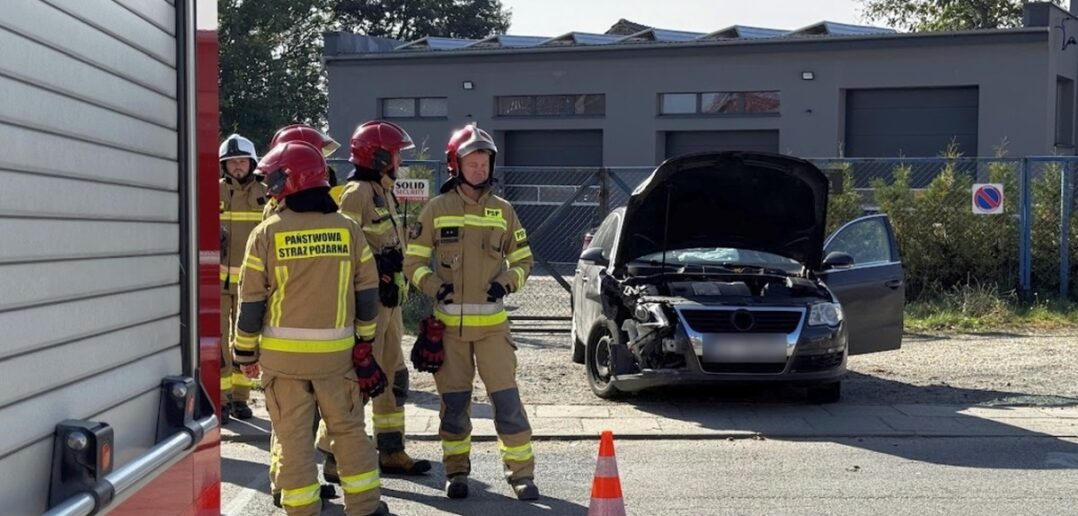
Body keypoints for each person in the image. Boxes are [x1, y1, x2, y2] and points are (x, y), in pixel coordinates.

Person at [232, 140, 390, 515]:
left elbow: (251, 302)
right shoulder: (348, 230)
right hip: (337, 359)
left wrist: (244, 353)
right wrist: (365, 341)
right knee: (349, 432)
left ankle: (302, 509)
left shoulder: (267, 233)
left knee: (292, 439)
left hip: (283, 362)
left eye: (274, 180)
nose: (270, 188)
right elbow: (367, 294)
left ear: (289, 181)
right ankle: (365, 507)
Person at [403, 123, 538, 500]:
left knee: (507, 404)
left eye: (484, 163)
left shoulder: (504, 211)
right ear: (455, 165)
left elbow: (524, 260)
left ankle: (521, 474)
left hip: (494, 331)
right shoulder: (436, 209)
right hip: (448, 331)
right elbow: (412, 263)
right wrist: (435, 286)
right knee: (454, 407)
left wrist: (506, 282)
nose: (479, 170)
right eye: (472, 163)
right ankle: (456, 471)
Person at [328, 120, 432, 478]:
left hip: (390, 304)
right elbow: (343, 250)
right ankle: (334, 455)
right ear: (379, 157)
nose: (400, 160)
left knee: (392, 378)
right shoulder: (356, 193)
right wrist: (377, 268)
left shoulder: (383, 190)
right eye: (397, 154)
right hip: (369, 306)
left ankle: (391, 451)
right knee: (359, 379)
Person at [218, 133, 266, 421]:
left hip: (251, 284)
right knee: (219, 343)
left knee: (246, 342)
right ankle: (221, 400)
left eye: (242, 161)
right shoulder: (212, 191)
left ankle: (240, 398)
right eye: (231, 161)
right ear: (224, 165)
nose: (237, 166)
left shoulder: (265, 194)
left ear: (252, 163)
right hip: (218, 284)